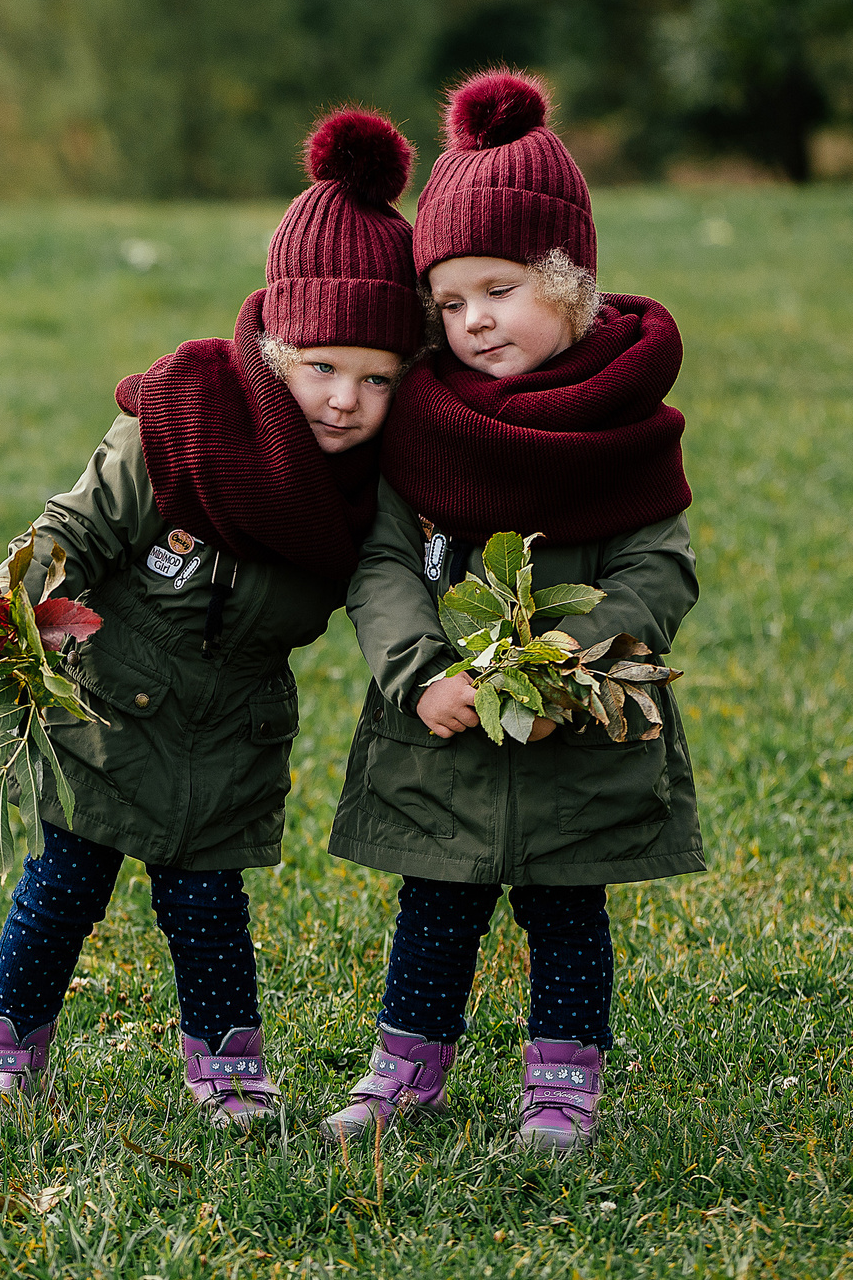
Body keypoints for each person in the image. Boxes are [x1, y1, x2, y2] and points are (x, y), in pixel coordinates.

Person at [0, 110, 421, 1129]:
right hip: (109, 705)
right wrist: (15, 595)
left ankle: (226, 1068)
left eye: (376, 376)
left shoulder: (367, 491)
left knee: (208, 911)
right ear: (270, 344)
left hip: (229, 731)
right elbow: (74, 524)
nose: (345, 398)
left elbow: (391, 584)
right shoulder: (178, 423)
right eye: (321, 366)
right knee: (62, 887)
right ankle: (8, 1040)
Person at [323, 70, 704, 1151]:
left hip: (574, 724)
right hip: (442, 720)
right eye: (447, 301)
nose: (474, 319)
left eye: (499, 287)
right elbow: (383, 561)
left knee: (565, 909)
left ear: (569, 280)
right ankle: (404, 1073)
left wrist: (563, 664)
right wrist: (421, 672)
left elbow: (657, 571)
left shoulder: (620, 422)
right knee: (434, 903)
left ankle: (560, 1088)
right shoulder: (424, 422)